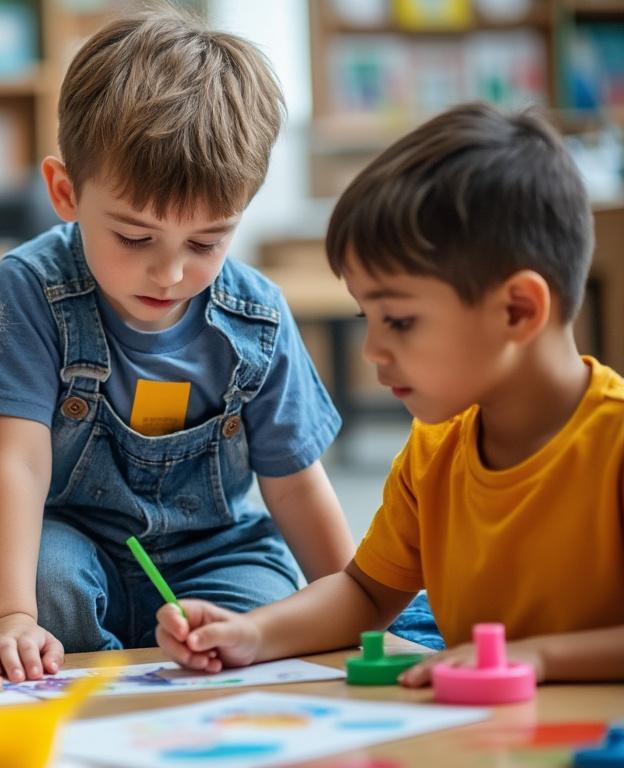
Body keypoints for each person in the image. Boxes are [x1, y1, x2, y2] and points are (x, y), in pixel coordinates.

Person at [156, 103, 624, 686]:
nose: (372, 350)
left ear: (517, 310)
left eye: (398, 321)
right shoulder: (434, 451)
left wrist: (540, 658)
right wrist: (253, 632)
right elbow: (364, 594)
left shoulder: (612, 444)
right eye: (367, 318)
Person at [0, 8, 358, 681]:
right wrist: (10, 618)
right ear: (65, 192)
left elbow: (295, 486)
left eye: (206, 242)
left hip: (217, 547)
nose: (169, 273)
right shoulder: (30, 286)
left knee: (268, 611)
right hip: (77, 540)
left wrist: (356, 604)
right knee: (48, 587)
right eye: (135, 237)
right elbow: (18, 466)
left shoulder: (256, 315)